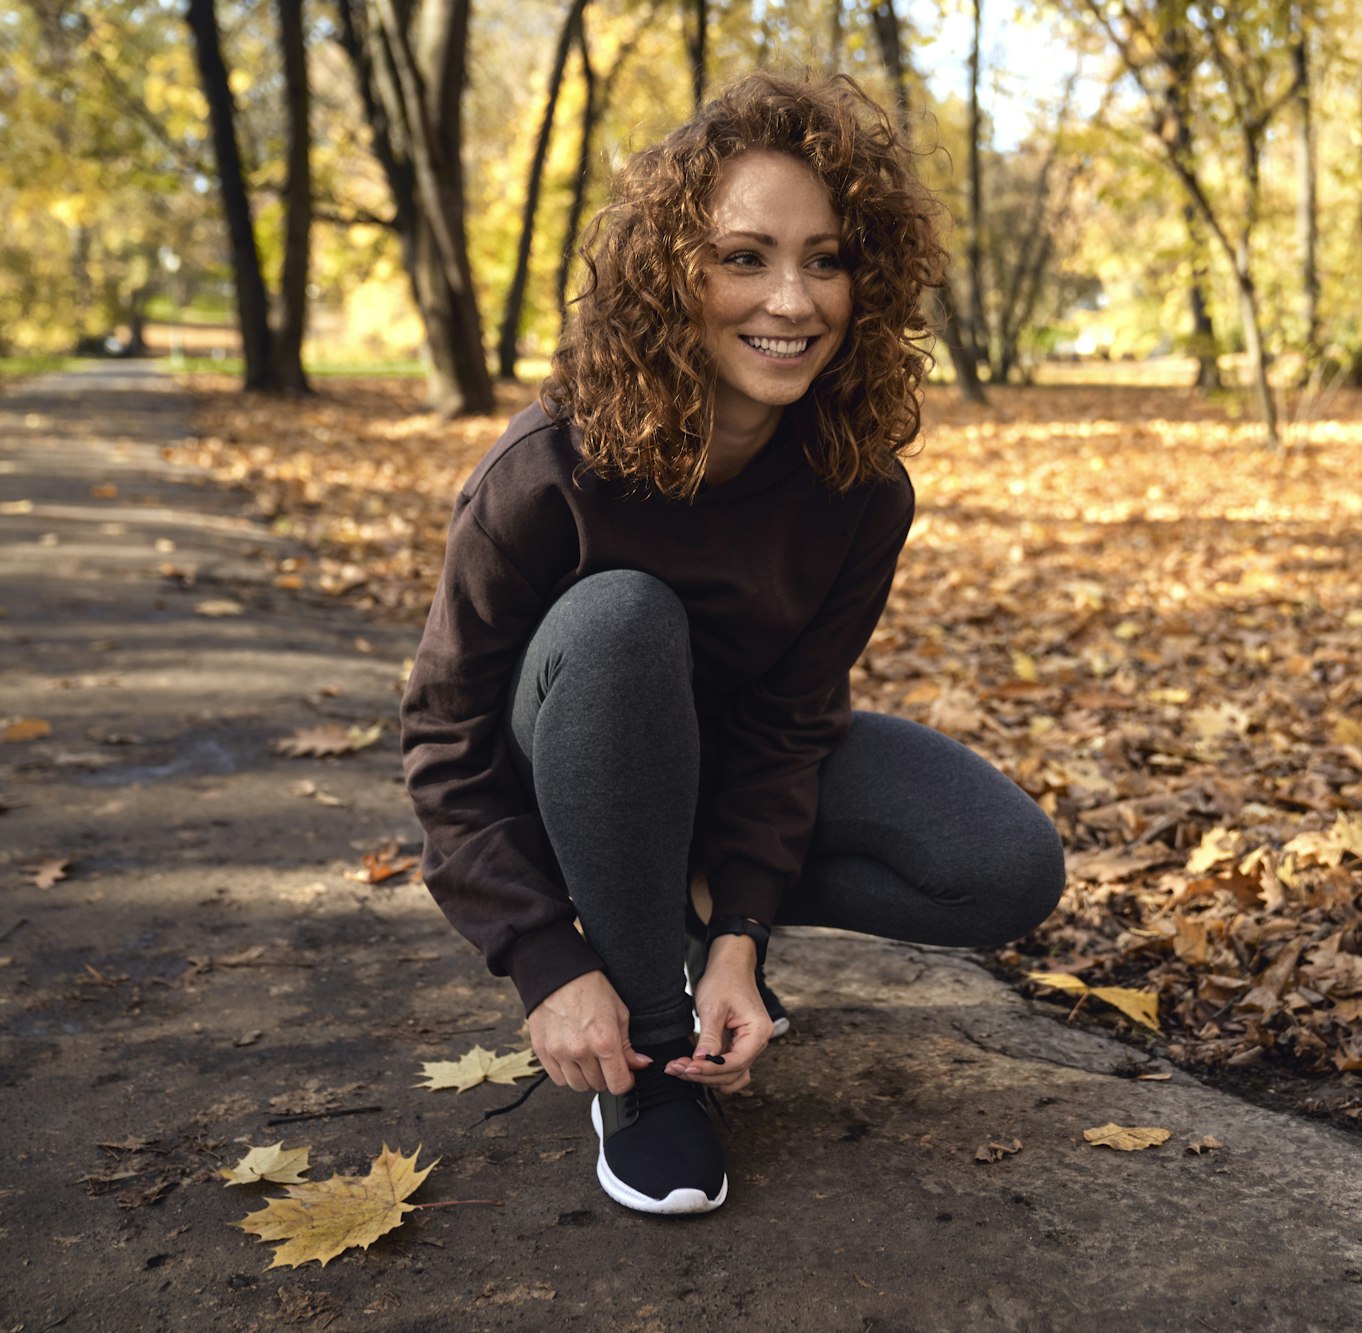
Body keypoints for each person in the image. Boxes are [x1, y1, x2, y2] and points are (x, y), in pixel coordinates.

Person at [400, 71, 1066, 1217]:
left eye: (827, 259)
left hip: (714, 781)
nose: (792, 300)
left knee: (999, 865)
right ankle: (655, 1069)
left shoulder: (860, 491)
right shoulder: (546, 472)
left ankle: (692, 941)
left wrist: (743, 937)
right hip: (566, 781)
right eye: (745, 256)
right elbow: (445, 745)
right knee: (621, 616)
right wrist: (545, 962)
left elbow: (790, 721)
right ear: (673, 275)